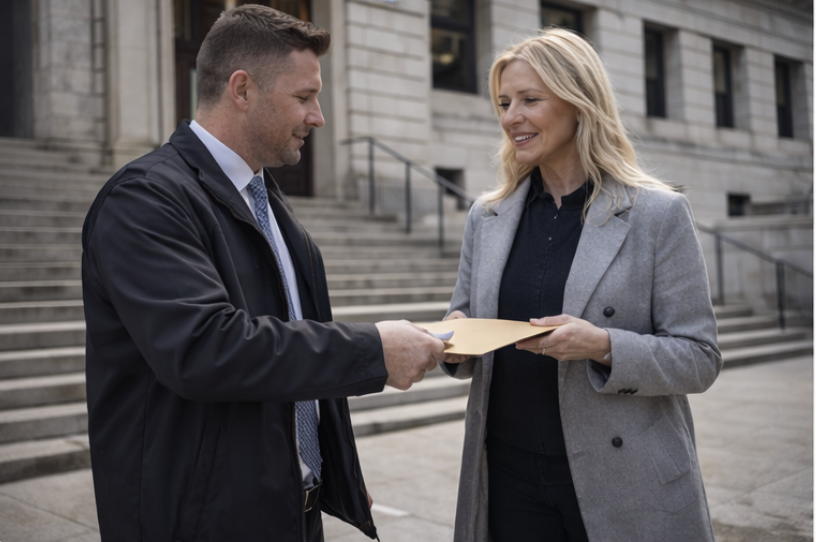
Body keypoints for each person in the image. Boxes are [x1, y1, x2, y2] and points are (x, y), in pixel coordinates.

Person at [81, 6, 444, 542]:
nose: (318, 117)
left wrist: (327, 470)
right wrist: (374, 351)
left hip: (289, 511)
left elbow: (290, 344)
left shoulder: (265, 199)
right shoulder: (146, 199)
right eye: (303, 97)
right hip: (195, 523)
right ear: (242, 89)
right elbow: (205, 350)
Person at [441, 28, 722, 542]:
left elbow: (700, 357)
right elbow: (463, 318)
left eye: (530, 100)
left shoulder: (657, 214)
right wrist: (454, 341)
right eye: (504, 102)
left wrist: (603, 346)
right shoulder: (487, 216)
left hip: (624, 481)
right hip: (506, 479)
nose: (510, 118)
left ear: (578, 103)